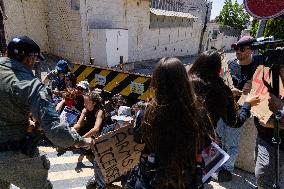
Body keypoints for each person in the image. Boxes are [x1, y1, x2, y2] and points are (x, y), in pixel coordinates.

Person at [0, 36, 92, 189]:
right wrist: (81, 141)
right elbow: (55, 129)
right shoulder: (30, 85)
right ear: (29, 59)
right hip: (12, 154)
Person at [125, 57, 213, 189]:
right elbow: (207, 141)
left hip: (153, 177)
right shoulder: (199, 113)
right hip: (186, 177)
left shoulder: (146, 113)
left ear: (156, 82)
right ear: (185, 81)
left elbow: (138, 140)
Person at [211, 36, 259, 182]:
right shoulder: (229, 65)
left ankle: (227, 170)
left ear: (251, 50)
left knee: (231, 144)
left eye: (242, 48)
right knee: (218, 140)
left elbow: (258, 94)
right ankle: (215, 167)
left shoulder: (257, 70)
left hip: (238, 112)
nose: (237, 51)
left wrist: (241, 93)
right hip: (221, 109)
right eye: (236, 48)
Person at [254, 66, 284, 188]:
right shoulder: (268, 76)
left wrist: (274, 123)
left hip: (280, 144)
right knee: (262, 175)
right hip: (264, 137)